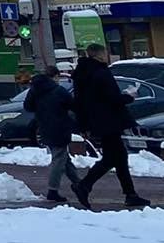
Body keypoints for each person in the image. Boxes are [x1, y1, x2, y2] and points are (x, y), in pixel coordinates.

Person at [71, 45, 150, 210]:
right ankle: (84, 185)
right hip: (109, 121)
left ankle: (130, 194)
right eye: (105, 53)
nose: (106, 56)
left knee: (119, 157)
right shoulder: (101, 72)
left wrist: (84, 124)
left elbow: (79, 101)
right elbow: (112, 98)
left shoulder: (83, 73)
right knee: (112, 158)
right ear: (99, 55)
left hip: (97, 121)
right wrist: (129, 96)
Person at [21, 63, 77, 203]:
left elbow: (28, 106)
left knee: (63, 157)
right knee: (59, 159)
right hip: (60, 127)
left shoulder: (34, 89)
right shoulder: (58, 90)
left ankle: (79, 183)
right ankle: (53, 190)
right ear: (55, 76)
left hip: (44, 126)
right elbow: (72, 105)